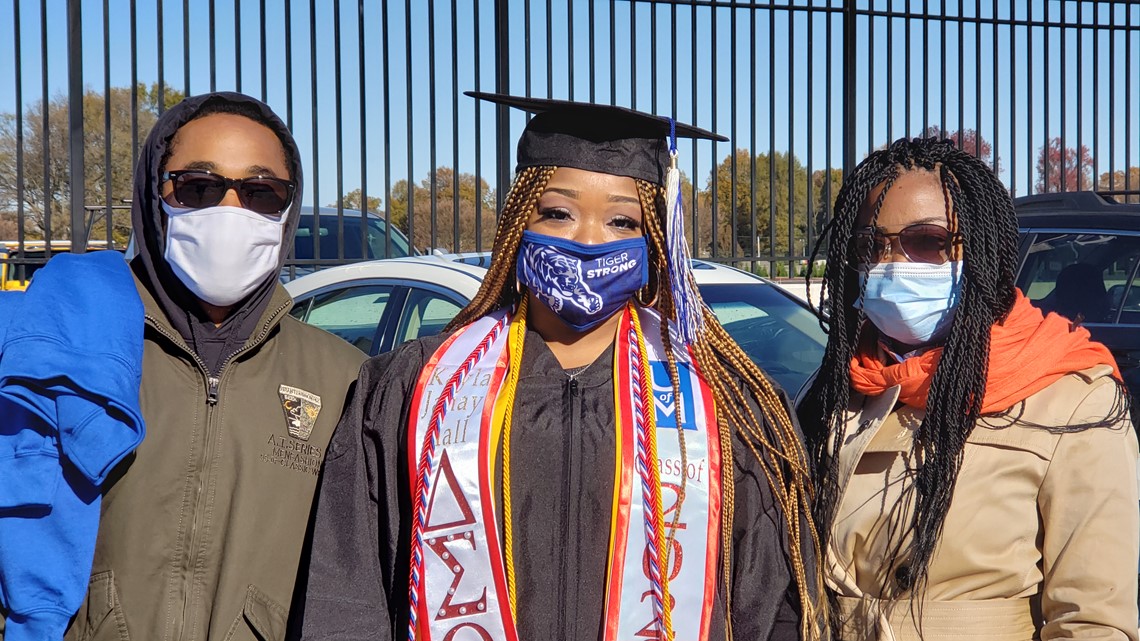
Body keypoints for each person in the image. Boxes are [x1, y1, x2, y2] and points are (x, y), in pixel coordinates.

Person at [297, 93, 825, 641]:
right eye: (558, 213)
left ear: (655, 241)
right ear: (518, 222)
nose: (589, 241)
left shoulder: (727, 407)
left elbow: (774, 608)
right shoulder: (415, 387)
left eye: (623, 220)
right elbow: (345, 596)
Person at [798, 136, 1139, 640]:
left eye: (927, 241)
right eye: (873, 245)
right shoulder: (837, 390)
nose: (894, 263)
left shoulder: (1075, 400)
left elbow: (1091, 622)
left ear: (980, 251)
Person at [62, 92, 365, 641]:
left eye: (260, 193)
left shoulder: (345, 381)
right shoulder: (71, 348)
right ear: (156, 195)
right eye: (198, 187)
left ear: (287, 209)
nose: (230, 210)